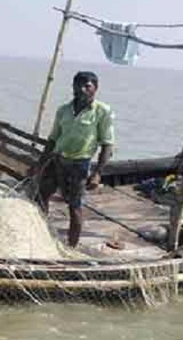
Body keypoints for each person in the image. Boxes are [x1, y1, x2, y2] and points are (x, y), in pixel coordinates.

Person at [35, 71, 114, 248]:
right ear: (73, 87)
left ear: (95, 88)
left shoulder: (102, 112)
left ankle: (71, 247)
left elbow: (107, 144)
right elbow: (53, 139)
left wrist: (97, 174)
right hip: (57, 159)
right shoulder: (63, 110)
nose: (82, 89)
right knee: (41, 195)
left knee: (74, 207)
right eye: (78, 85)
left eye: (87, 86)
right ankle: (42, 235)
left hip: (79, 164)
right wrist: (40, 164)